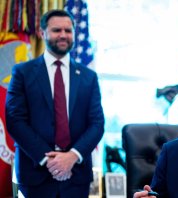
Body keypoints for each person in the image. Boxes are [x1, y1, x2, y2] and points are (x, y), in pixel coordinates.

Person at [5, 10, 104, 198]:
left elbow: (97, 124)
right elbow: (15, 121)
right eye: (56, 30)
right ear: (43, 33)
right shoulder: (22, 72)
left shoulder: (89, 77)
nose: (63, 35)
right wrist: (49, 159)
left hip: (77, 175)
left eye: (68, 30)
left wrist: (72, 156)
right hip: (35, 173)